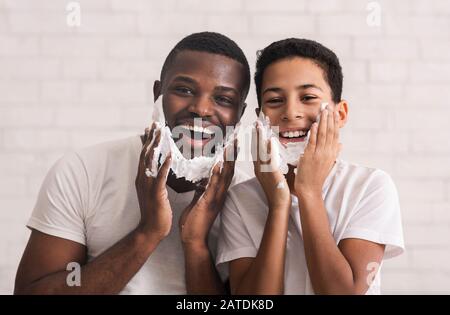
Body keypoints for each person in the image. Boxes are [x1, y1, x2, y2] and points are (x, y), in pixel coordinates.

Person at [14, 32, 250, 294]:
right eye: (184, 90)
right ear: (157, 94)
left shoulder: (246, 199)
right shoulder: (83, 171)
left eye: (224, 99)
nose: (201, 109)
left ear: (240, 113)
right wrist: (148, 232)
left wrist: (195, 243)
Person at [216, 38, 405, 295]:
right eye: (274, 101)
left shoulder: (370, 186)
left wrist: (309, 191)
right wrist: (279, 203)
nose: (290, 112)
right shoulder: (240, 199)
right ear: (260, 117)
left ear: (339, 114)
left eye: (308, 97)